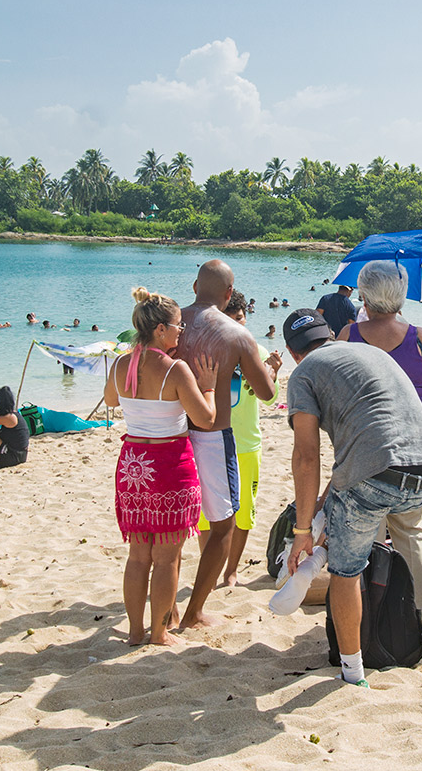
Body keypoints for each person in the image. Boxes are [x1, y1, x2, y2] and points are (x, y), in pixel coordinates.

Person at [284, 308, 422, 685]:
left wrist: (302, 528)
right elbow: (358, 450)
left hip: (378, 474)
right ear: (332, 336)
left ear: (293, 353)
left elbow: (307, 457)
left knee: (346, 570)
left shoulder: (303, 373)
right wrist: (324, 505)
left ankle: (353, 673)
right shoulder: (370, 352)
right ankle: (410, 623)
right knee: (370, 520)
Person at [337, 262, 422, 619]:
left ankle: (373, 611)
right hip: (416, 452)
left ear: (363, 296)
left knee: (366, 534)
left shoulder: (348, 334)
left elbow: (336, 396)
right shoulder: (420, 337)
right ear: (400, 297)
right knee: (411, 532)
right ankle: (416, 612)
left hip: (366, 451)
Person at [103, 287, 217, 645]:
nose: (182, 332)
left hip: (134, 464)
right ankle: (159, 634)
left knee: (138, 555)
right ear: (161, 330)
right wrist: (210, 387)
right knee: (167, 557)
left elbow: (110, 400)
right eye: (179, 326)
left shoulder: (123, 362)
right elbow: (206, 418)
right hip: (170, 463)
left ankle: (135, 632)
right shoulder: (176, 370)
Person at [177, 261, 278, 630]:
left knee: (173, 530)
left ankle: (168, 612)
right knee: (222, 528)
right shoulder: (236, 334)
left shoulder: (170, 324)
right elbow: (266, 393)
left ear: (193, 286)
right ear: (227, 293)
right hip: (213, 437)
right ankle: (194, 613)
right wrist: (267, 369)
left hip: (170, 433)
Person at [196, 291, 282, 586]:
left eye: (240, 319)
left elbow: (270, 400)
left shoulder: (253, 349)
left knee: (244, 511)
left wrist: (272, 373)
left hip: (246, 443)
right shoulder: (205, 348)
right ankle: (208, 567)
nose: (235, 325)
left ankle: (231, 570)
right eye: (228, 319)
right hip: (208, 440)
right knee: (205, 514)